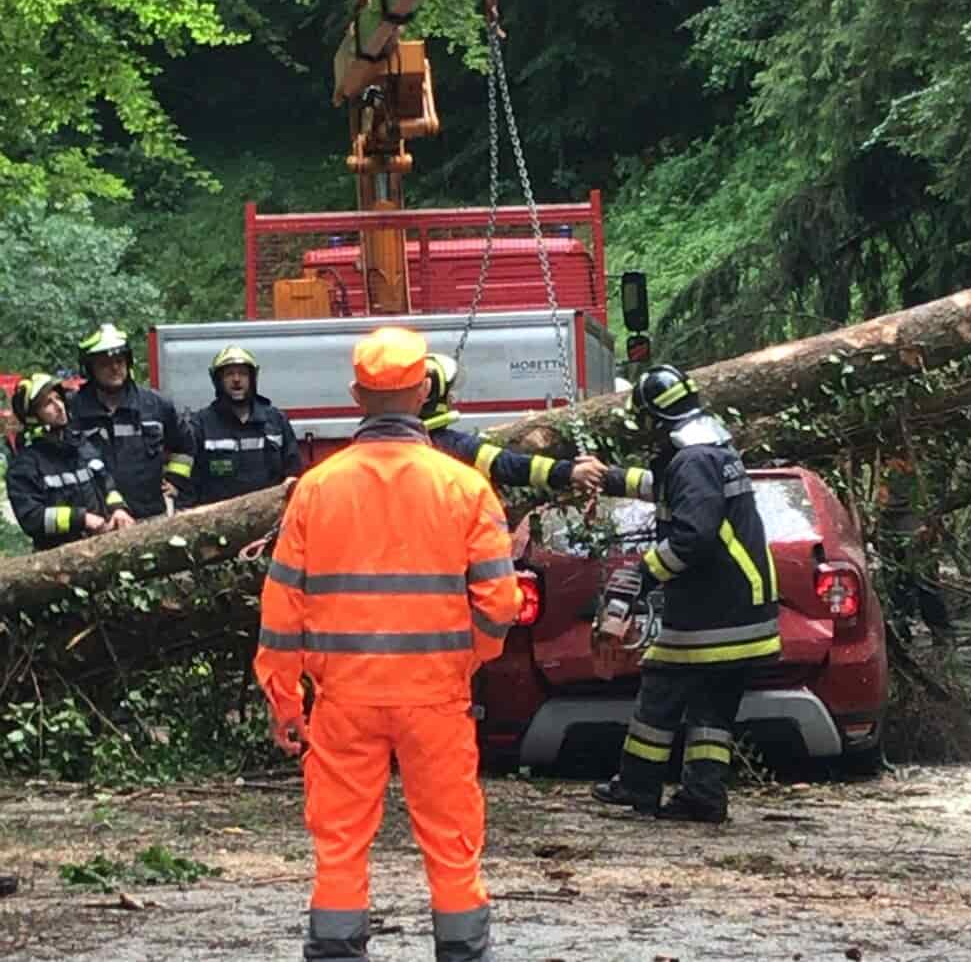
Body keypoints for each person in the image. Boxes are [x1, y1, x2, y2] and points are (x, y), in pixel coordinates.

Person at [255, 326, 520, 962]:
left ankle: (337, 950)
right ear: (425, 390)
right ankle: (461, 951)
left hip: (344, 699)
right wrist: (465, 658)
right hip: (435, 697)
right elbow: (501, 603)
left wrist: (285, 700)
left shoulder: (317, 488)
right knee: (452, 840)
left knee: (340, 842)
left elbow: (281, 607)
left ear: (356, 395)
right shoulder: (463, 487)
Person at [590, 364, 780, 823]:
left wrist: (643, 575)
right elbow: (668, 489)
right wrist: (609, 477)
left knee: (661, 683)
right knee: (713, 707)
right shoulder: (710, 449)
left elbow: (694, 535)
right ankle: (704, 796)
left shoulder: (691, 460)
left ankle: (637, 786)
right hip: (742, 606)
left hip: (713, 608)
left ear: (655, 420)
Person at [422, 352, 607, 493]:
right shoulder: (451, 446)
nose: (452, 400)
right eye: (448, 395)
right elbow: (509, 465)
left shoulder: (397, 440)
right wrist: (570, 473)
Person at [68, 324, 195, 519]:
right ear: (90, 369)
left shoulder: (156, 405)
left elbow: (185, 446)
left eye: (119, 361)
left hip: (150, 514)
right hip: (100, 519)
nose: (114, 368)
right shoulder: (73, 411)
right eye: (105, 363)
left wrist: (175, 479)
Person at [5, 373, 134, 550]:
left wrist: (119, 509)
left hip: (102, 546)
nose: (59, 406)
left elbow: (108, 485)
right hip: (59, 559)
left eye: (58, 398)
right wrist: (81, 519)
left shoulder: (82, 447)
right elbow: (32, 518)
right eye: (47, 403)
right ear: (32, 417)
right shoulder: (25, 465)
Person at [180, 345, 301, 507]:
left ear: (252, 378)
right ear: (218, 380)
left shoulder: (275, 421)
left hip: (269, 520)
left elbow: (293, 470)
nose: (236, 379)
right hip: (218, 523)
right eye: (229, 374)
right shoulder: (201, 424)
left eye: (243, 373)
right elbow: (189, 483)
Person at [875, 448, 953, 646]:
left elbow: (933, 502)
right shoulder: (888, 474)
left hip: (914, 531)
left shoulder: (920, 474)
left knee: (924, 584)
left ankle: (939, 631)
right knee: (899, 585)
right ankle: (907, 631)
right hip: (893, 532)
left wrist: (929, 528)